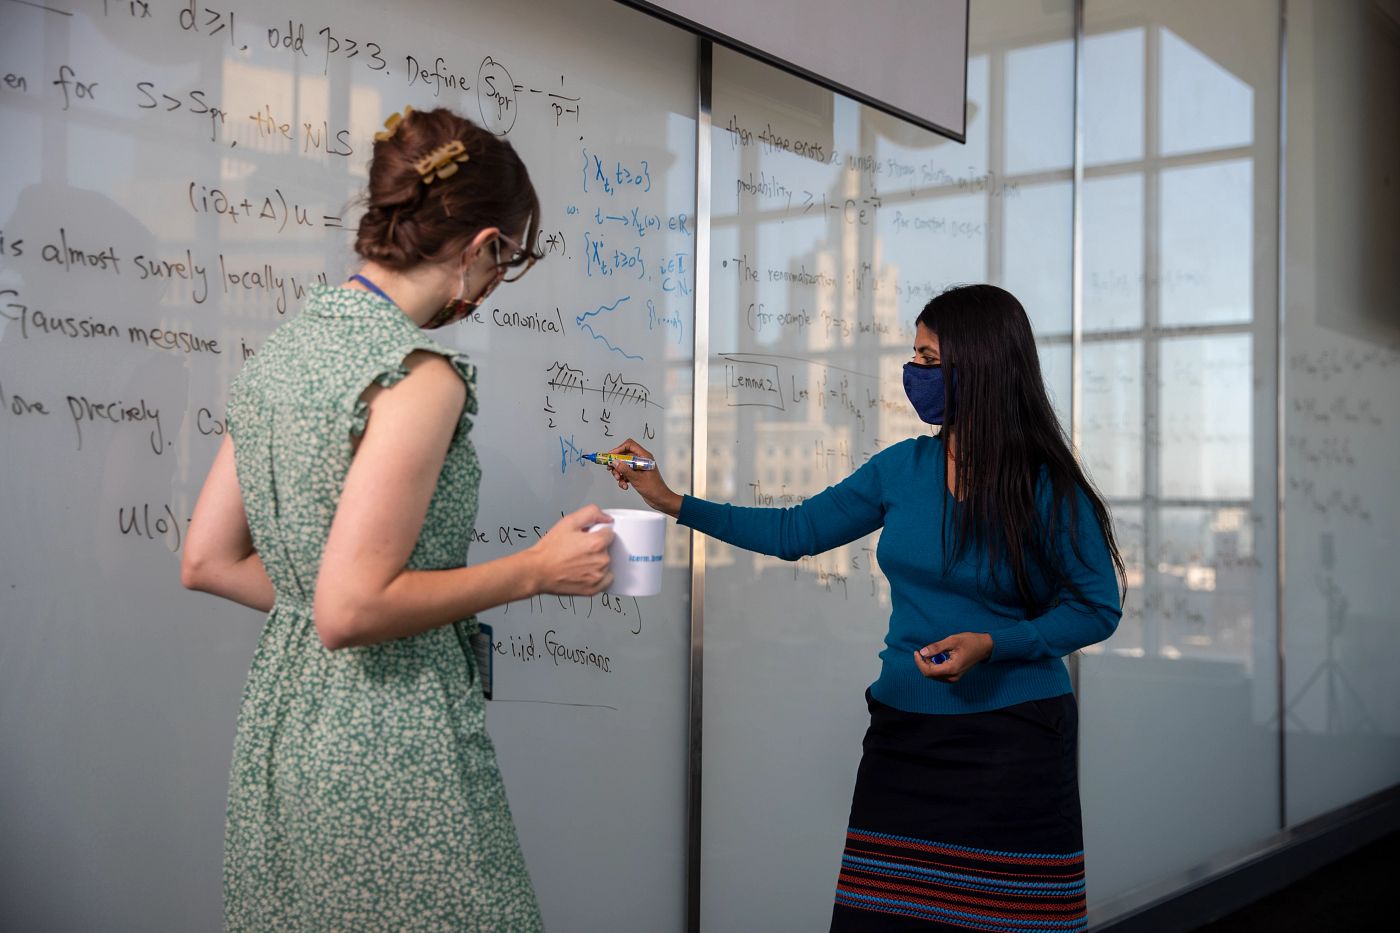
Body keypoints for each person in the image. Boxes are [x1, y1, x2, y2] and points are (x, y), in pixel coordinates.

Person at [181, 106, 614, 931]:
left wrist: (335, 594)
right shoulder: (418, 375)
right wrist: (534, 570)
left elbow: (208, 558)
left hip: (285, 728)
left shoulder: (285, 349)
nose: (492, 287)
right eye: (506, 263)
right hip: (392, 742)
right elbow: (351, 609)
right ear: (484, 245)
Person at [607, 284, 1124, 932]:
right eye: (914, 355)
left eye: (930, 359)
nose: (914, 374)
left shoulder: (1046, 484)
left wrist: (995, 644)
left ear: (982, 365)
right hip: (904, 736)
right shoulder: (900, 468)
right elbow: (794, 532)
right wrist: (672, 499)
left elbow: (1096, 607)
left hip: (1015, 742)